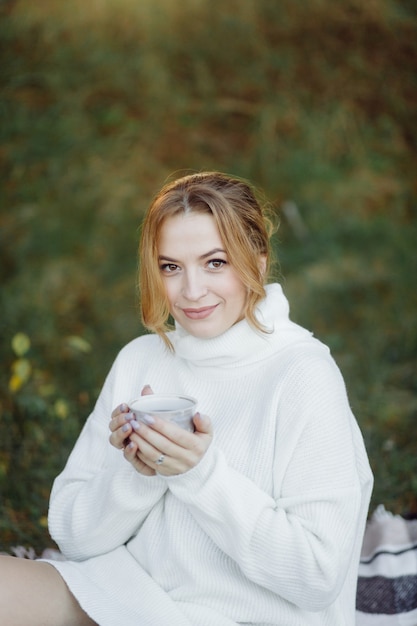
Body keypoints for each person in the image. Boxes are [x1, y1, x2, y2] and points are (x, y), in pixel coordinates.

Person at [0, 171, 373, 625]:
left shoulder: (303, 374)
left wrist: (200, 475)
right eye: (170, 267)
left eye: (215, 263)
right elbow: (75, 537)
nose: (192, 291)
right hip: (127, 596)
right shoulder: (141, 360)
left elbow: (317, 575)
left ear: (256, 263)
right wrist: (140, 471)